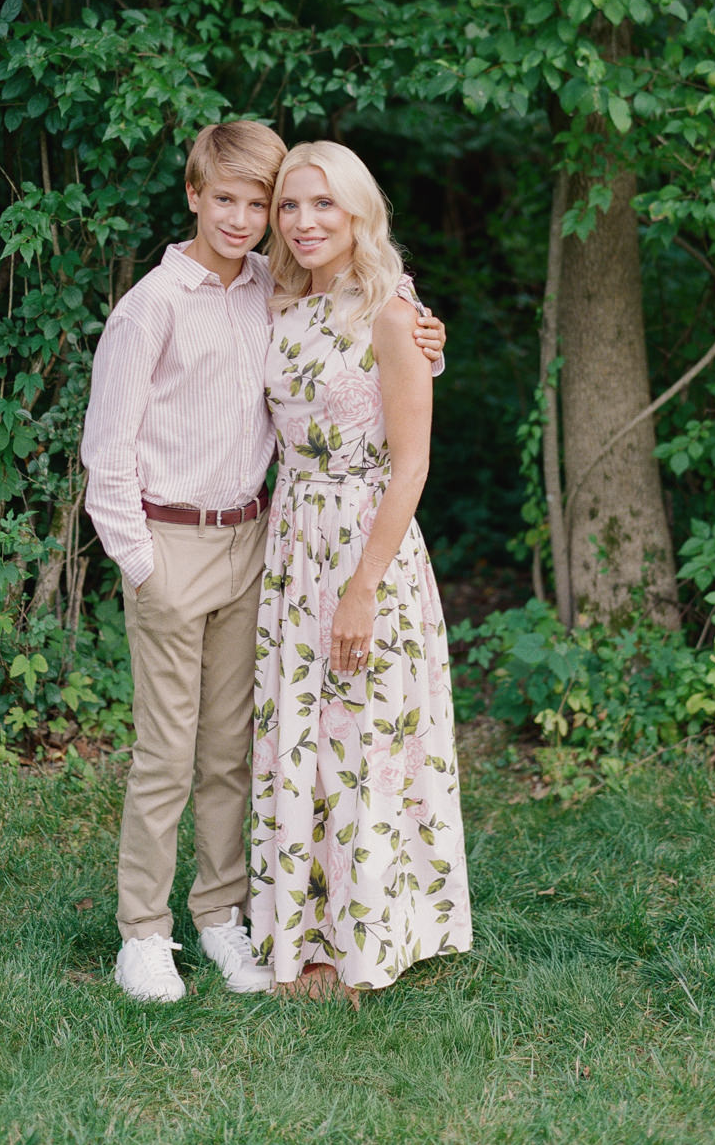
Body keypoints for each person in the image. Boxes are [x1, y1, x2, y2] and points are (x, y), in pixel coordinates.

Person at [79, 120, 445, 1004]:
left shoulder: (266, 290)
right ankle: (144, 935)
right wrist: (141, 562)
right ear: (195, 198)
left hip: (262, 541)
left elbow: (373, 343)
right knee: (166, 751)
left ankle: (219, 917)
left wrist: (425, 336)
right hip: (177, 544)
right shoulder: (154, 306)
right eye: (237, 201)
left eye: (263, 203)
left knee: (236, 752)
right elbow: (106, 453)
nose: (253, 219)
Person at [249, 141, 472, 1001]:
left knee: (364, 740)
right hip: (293, 542)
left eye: (323, 206)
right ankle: (302, 937)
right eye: (291, 207)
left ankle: (368, 940)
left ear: (358, 214)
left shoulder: (391, 311)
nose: (304, 223)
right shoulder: (277, 304)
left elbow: (412, 463)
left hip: (365, 546)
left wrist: (363, 585)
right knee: (300, 741)